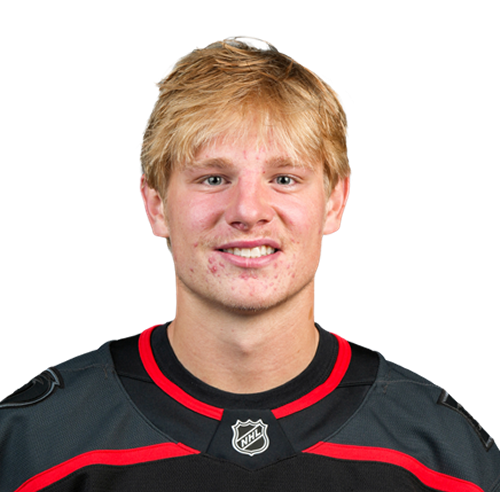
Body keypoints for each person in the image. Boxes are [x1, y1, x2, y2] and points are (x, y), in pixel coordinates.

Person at [1, 36, 498, 492]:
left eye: (284, 179)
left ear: (335, 202)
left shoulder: (442, 453)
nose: (248, 211)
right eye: (213, 178)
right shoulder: (32, 443)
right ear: (155, 204)